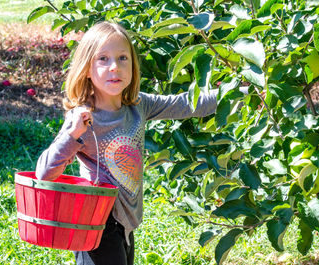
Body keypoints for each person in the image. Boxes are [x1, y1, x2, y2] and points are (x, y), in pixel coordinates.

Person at [35, 21, 218, 265]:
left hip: (126, 222)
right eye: (103, 59)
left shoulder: (138, 106)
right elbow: (44, 174)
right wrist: (72, 135)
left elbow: (185, 104)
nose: (114, 67)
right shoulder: (83, 117)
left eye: (123, 58)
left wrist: (237, 93)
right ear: (87, 68)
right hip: (97, 221)